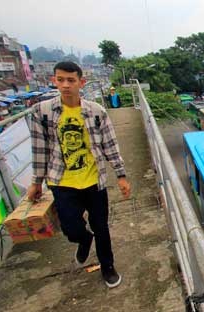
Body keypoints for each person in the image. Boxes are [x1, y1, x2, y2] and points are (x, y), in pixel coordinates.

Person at [28, 61, 130, 288]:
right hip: (61, 181)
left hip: (94, 181)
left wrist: (121, 175)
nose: (65, 85)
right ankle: (84, 240)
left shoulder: (96, 112)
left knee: (101, 227)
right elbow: (39, 149)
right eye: (60, 80)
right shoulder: (42, 112)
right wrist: (36, 182)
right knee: (71, 228)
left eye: (71, 80)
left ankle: (108, 267)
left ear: (81, 83)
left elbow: (110, 146)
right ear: (53, 81)